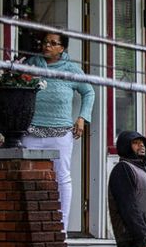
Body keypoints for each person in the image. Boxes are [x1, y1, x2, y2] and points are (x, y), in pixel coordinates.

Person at [23, 31, 95, 233]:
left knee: (62, 177)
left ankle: (61, 227)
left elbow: (88, 92)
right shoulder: (31, 65)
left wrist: (82, 117)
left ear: (62, 48)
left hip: (61, 133)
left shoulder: (71, 69)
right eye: (45, 42)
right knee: (28, 175)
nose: (47, 46)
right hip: (31, 131)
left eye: (53, 43)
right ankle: (31, 222)